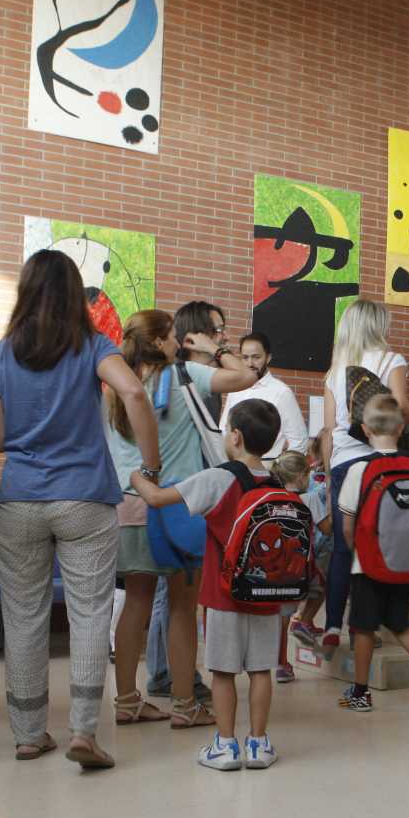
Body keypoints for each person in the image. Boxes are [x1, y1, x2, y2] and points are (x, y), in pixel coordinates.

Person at [0, 250, 161, 768]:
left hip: (19, 500)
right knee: (88, 615)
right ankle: (83, 731)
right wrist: (149, 467)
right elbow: (133, 392)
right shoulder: (92, 347)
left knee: (22, 620)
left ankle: (29, 734)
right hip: (84, 497)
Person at [106, 309, 256, 730]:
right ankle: (185, 704)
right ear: (157, 342)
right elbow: (246, 377)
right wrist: (214, 348)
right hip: (178, 506)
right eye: (173, 336)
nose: (180, 342)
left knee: (135, 602)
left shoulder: (117, 385)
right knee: (181, 608)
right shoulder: (184, 374)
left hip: (129, 505)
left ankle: (127, 700)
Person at [132, 399, 286, 771]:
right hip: (267, 594)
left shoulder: (218, 478)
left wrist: (138, 476)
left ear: (233, 436)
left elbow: (156, 499)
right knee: (261, 669)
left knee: (223, 671)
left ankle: (227, 745)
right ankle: (259, 744)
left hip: (224, 596)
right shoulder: (278, 482)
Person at [335, 395, 409, 715]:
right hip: (408, 560)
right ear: (400, 429)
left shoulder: (359, 469)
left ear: (365, 430)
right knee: (399, 621)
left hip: (368, 563)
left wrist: (358, 548)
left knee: (364, 626)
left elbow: (347, 524)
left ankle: (360, 692)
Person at [145, 300, 232, 704]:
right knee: (176, 594)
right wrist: (215, 353)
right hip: (180, 492)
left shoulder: (177, 377)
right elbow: (246, 374)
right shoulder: (192, 376)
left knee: (171, 592)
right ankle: (171, 675)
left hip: (176, 490)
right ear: (195, 335)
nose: (224, 337)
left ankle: (168, 672)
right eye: (217, 330)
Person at [318, 299, 409, 656]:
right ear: (377, 325)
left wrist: (328, 482)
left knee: (343, 548)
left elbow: (328, 430)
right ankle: (367, 627)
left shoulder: (335, 370)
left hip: (342, 463)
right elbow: (401, 408)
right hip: (378, 463)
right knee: (374, 543)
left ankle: (330, 626)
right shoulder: (392, 361)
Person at [265, 451, 314, 683]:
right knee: (284, 618)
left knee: (276, 618)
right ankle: (282, 664)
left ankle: (274, 661)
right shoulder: (303, 503)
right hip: (292, 572)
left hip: (267, 569)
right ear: (302, 475)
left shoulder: (268, 499)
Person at [222, 331, 309, 461]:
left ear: (268, 357)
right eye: (245, 357)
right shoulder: (235, 388)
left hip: (266, 469)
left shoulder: (281, 392)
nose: (250, 363)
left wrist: (277, 469)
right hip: (234, 469)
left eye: (256, 357)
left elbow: (300, 441)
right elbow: (224, 429)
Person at [288, 459, 333, 649]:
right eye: (307, 475)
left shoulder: (276, 495)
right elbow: (327, 528)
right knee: (323, 586)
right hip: (305, 557)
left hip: (281, 558)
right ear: (300, 476)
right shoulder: (310, 498)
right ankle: (304, 622)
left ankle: (282, 664)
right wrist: (331, 508)